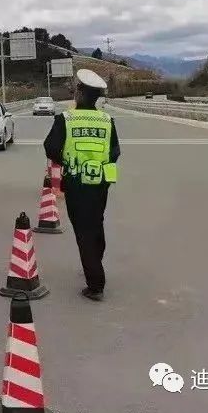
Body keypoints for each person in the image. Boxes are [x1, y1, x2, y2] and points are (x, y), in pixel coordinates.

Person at [43, 69, 121, 302]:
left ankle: (95, 284)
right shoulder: (107, 120)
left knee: (83, 231)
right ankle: (95, 261)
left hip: (77, 182)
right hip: (100, 182)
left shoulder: (66, 119)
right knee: (96, 223)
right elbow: (115, 151)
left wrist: (68, 160)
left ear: (79, 93)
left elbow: (50, 148)